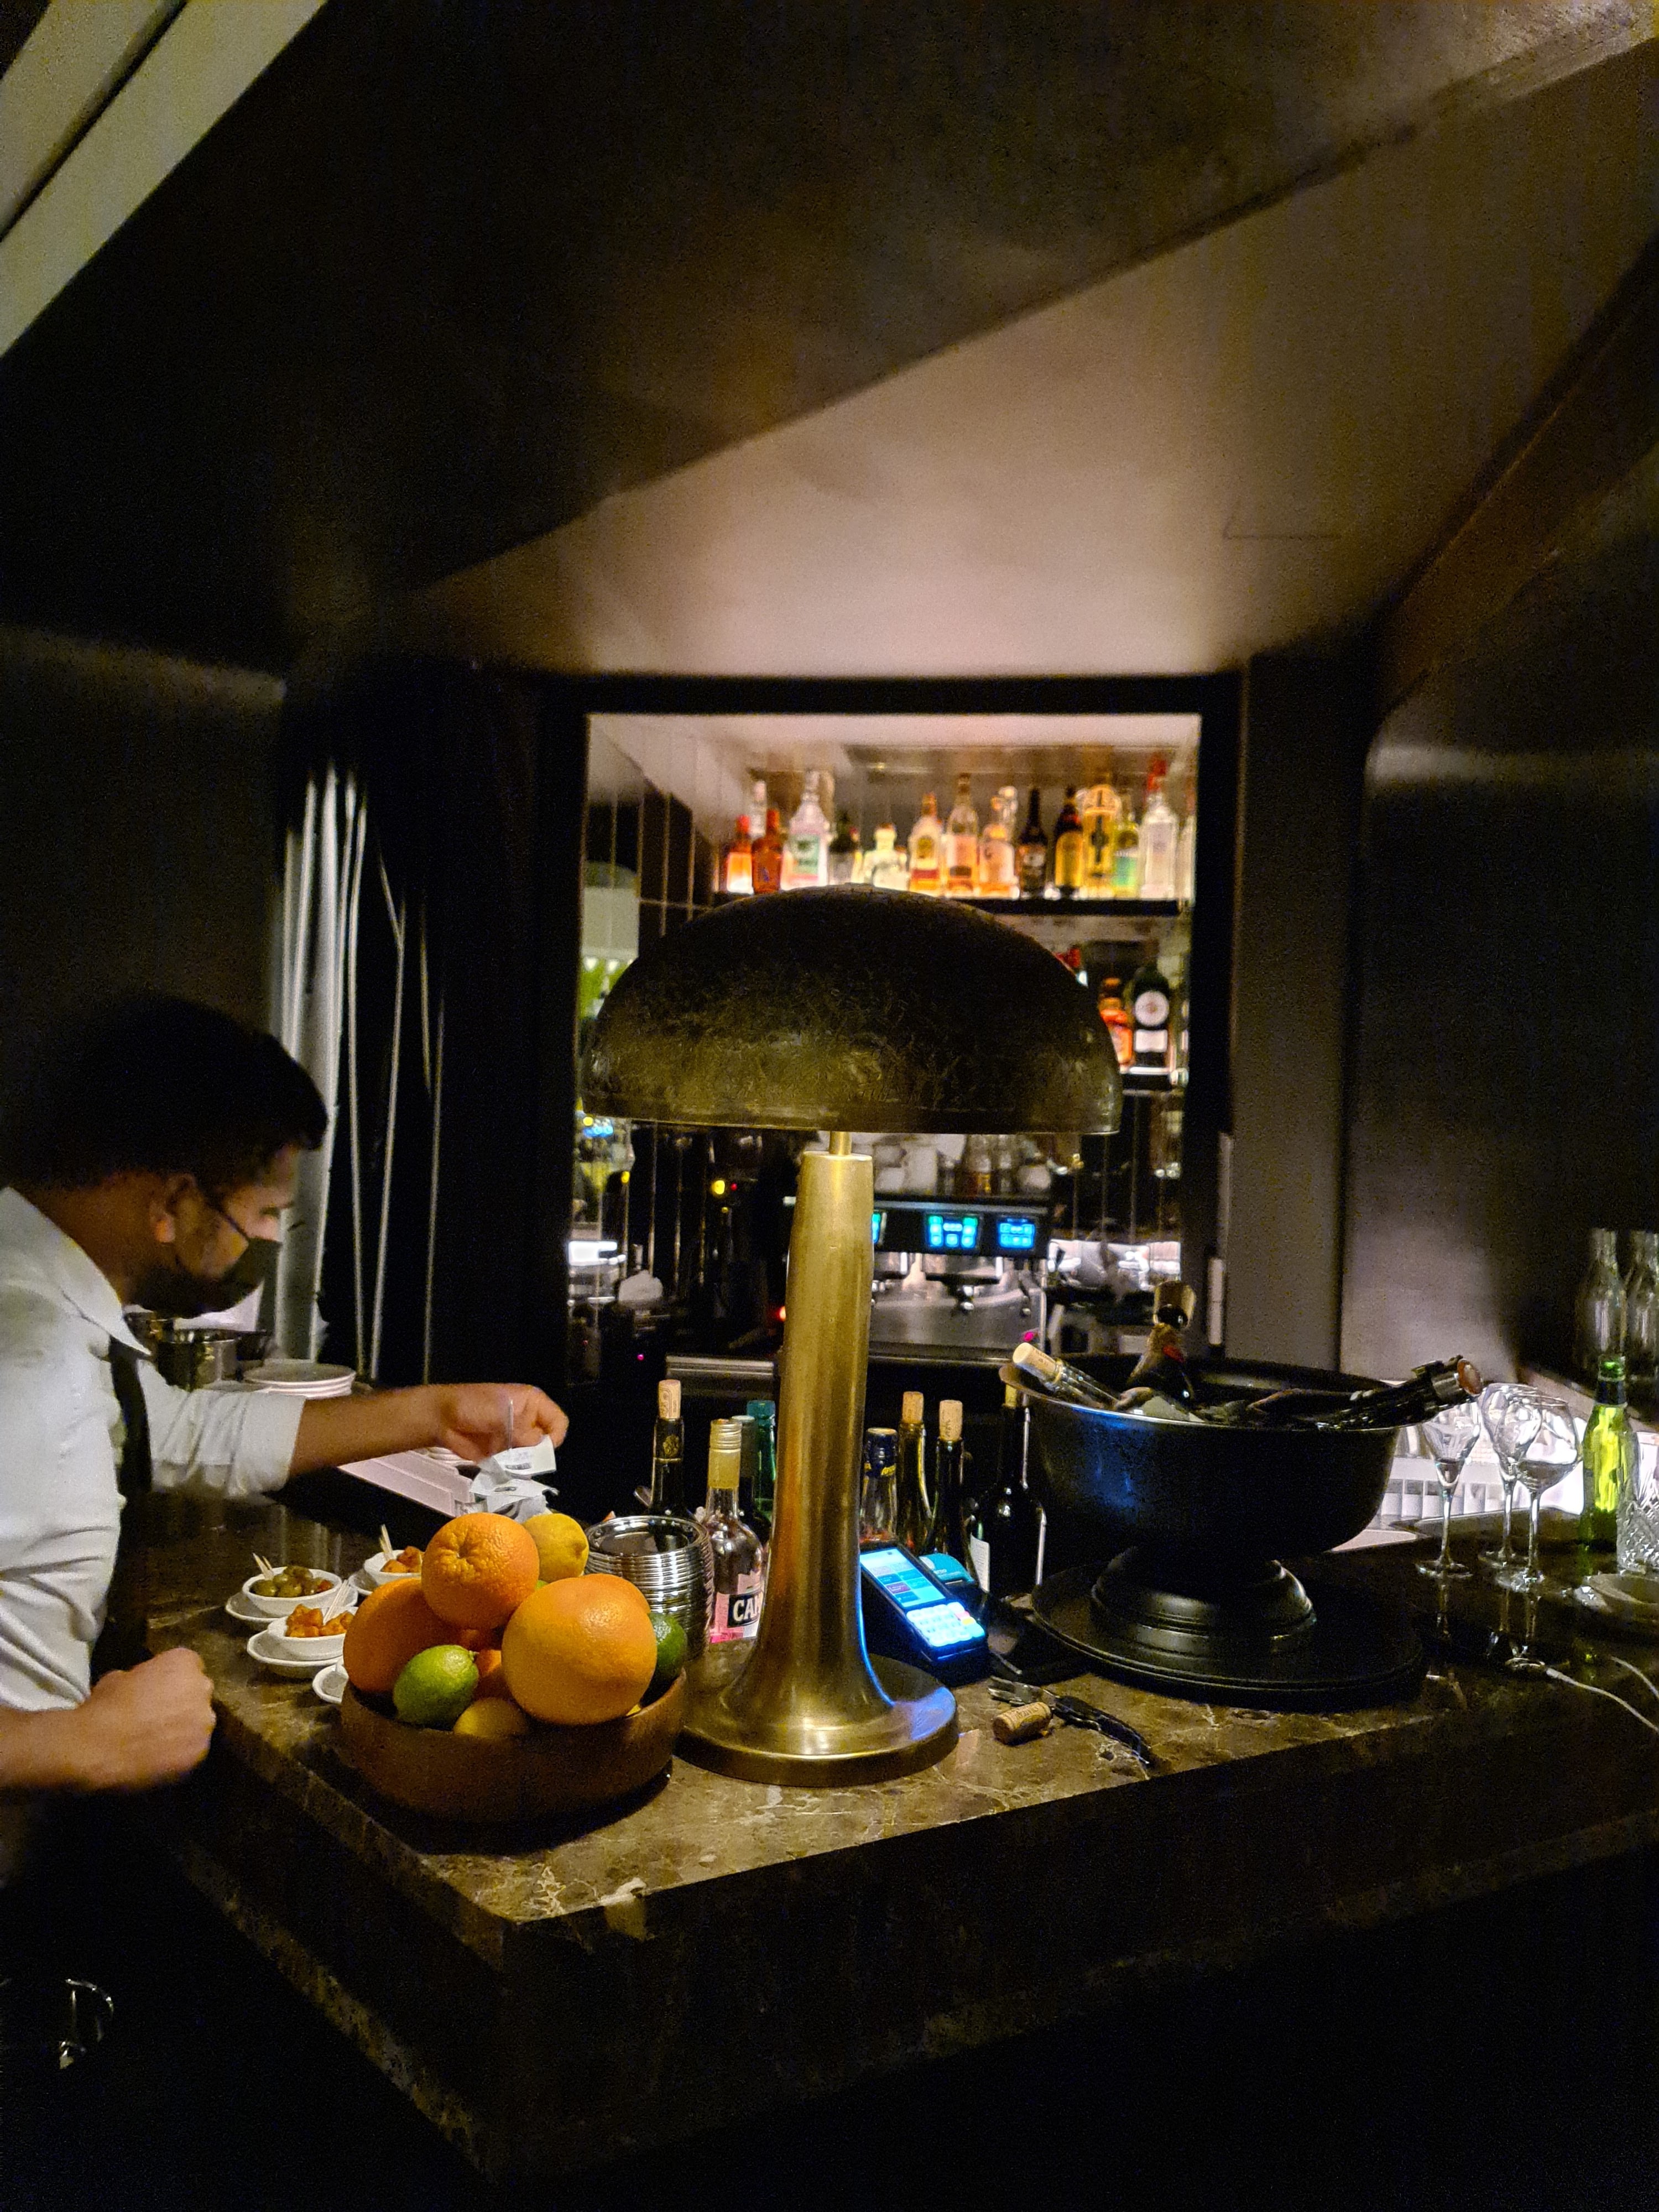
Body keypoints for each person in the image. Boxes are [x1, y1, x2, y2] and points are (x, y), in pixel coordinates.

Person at [0, 997, 567, 1880]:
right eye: (264, 1214)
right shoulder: (24, 1359)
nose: (268, 1240)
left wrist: (433, 1412)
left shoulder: (50, 1310)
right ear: (174, 1202)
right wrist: (87, 1742)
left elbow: (176, 1429)